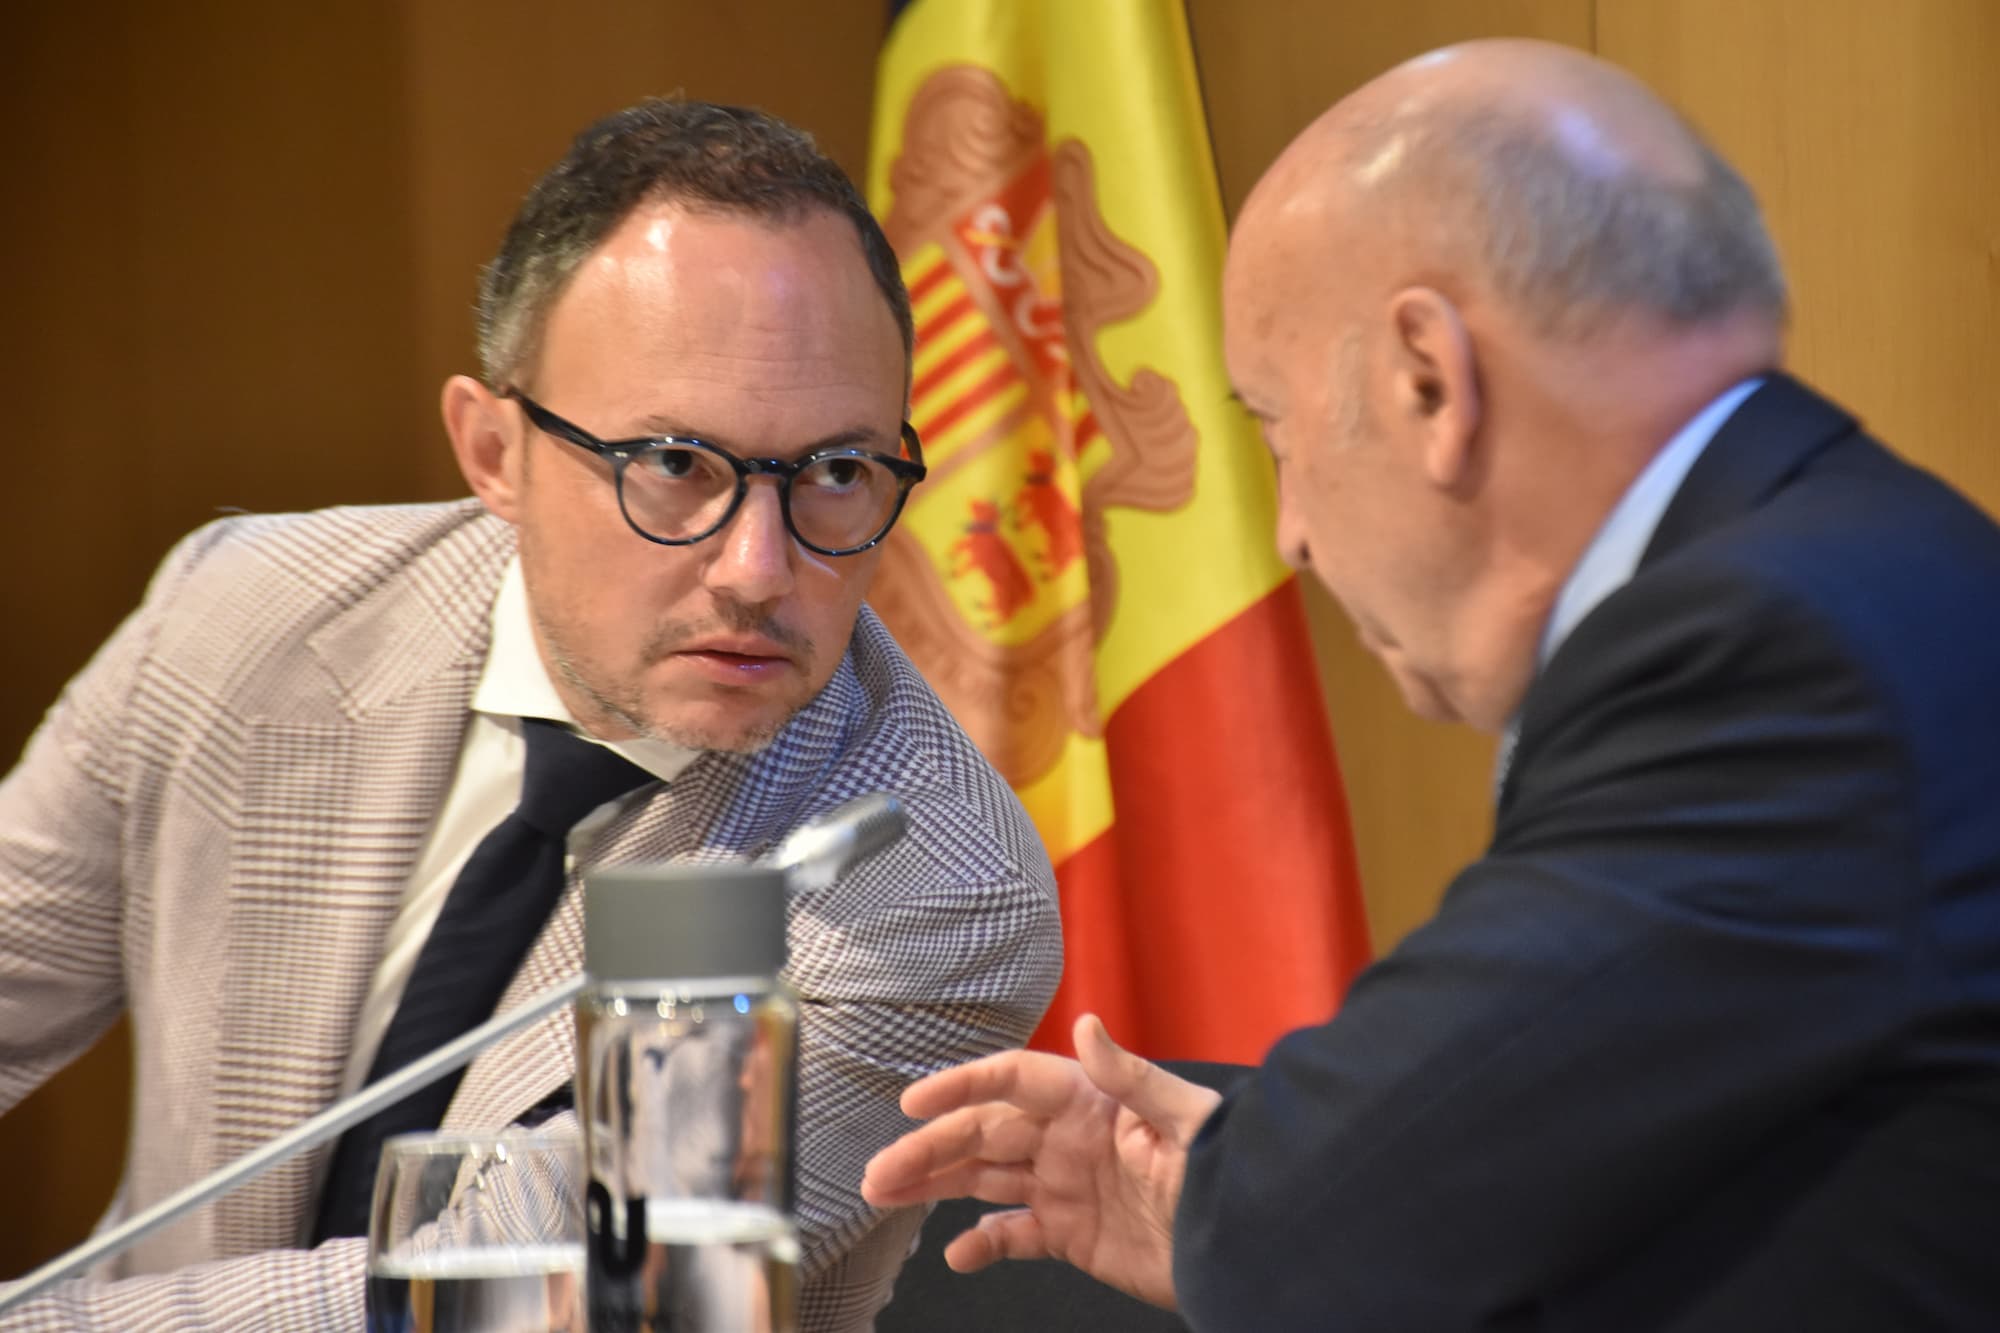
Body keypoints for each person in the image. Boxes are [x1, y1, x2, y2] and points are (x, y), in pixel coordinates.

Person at [862, 37, 2000, 1331]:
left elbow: (1325, 1222)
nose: (1288, 532)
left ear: (1428, 380)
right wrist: (1250, 1181)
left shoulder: (1770, 657)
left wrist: (1256, 1192)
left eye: (1276, 426)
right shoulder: (1869, 574)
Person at [0, 99, 1061, 1330]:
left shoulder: (927, 882)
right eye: (675, 465)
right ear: (493, 450)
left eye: (834, 473)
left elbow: (519, 1293)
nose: (759, 570)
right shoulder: (244, 618)